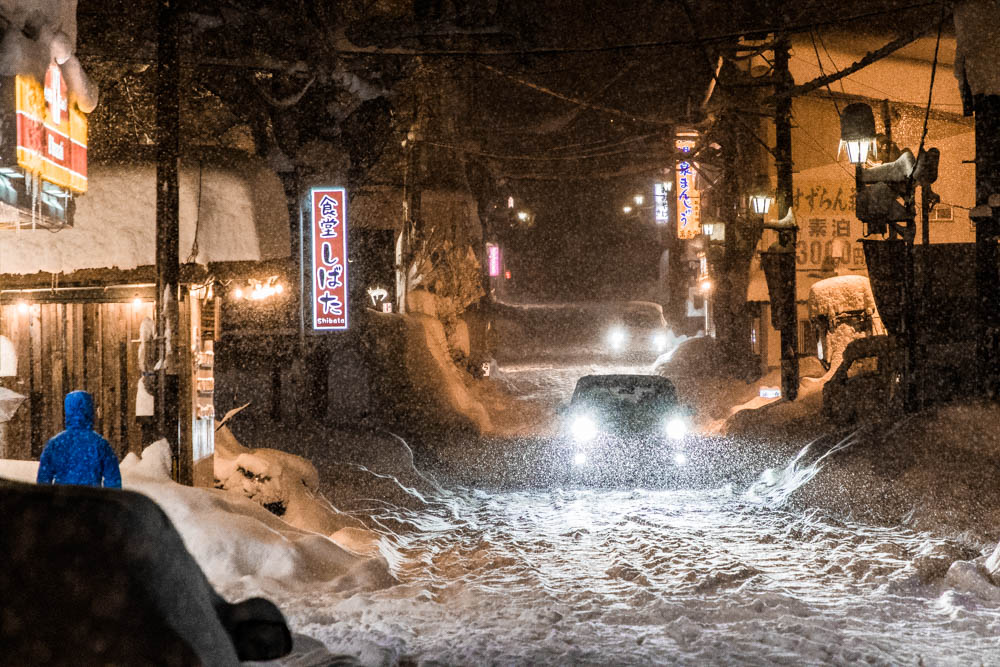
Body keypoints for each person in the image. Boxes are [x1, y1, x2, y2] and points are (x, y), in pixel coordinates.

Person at [36, 390, 122, 488]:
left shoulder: (55, 444)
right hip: (92, 500)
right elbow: (112, 479)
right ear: (90, 411)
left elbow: (43, 480)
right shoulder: (100, 444)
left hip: (62, 500)